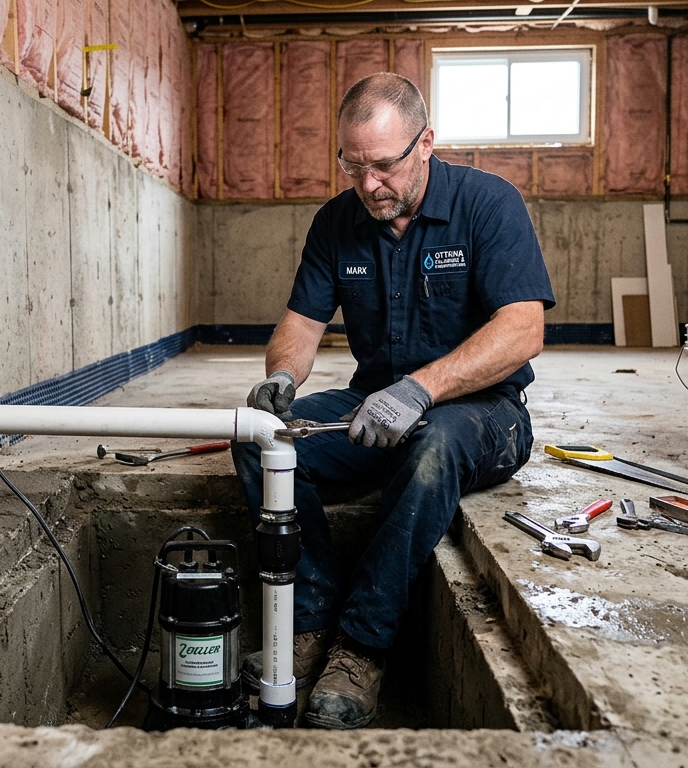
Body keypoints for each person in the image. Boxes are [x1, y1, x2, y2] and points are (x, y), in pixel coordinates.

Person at [232, 72, 554, 730]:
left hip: (483, 415)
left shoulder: (488, 204)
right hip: (374, 408)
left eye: (383, 166)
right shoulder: (338, 221)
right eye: (354, 167)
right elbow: (301, 325)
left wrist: (422, 389)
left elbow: (524, 329)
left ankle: (361, 647)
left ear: (426, 142)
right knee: (257, 440)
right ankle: (309, 620)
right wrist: (283, 381)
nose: (369, 184)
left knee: (432, 450)